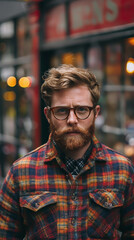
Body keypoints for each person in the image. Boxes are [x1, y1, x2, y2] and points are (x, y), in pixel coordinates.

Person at [0, 64, 134, 240]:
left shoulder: (122, 169)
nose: (72, 120)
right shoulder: (21, 172)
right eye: (62, 111)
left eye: (82, 110)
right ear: (48, 115)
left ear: (96, 113)